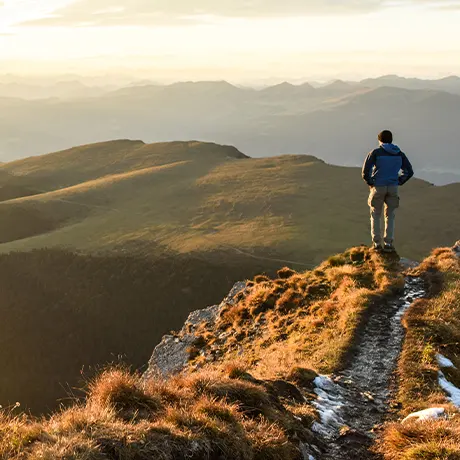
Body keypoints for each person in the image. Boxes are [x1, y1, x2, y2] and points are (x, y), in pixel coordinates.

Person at [362, 130, 414, 253]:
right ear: (391, 140)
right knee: (390, 215)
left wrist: (371, 182)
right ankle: (388, 244)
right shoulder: (399, 154)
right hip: (393, 187)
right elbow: (409, 171)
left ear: (379, 140)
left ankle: (376, 243)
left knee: (375, 214)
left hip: (378, 186)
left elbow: (365, 172)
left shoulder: (375, 152)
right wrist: (399, 181)